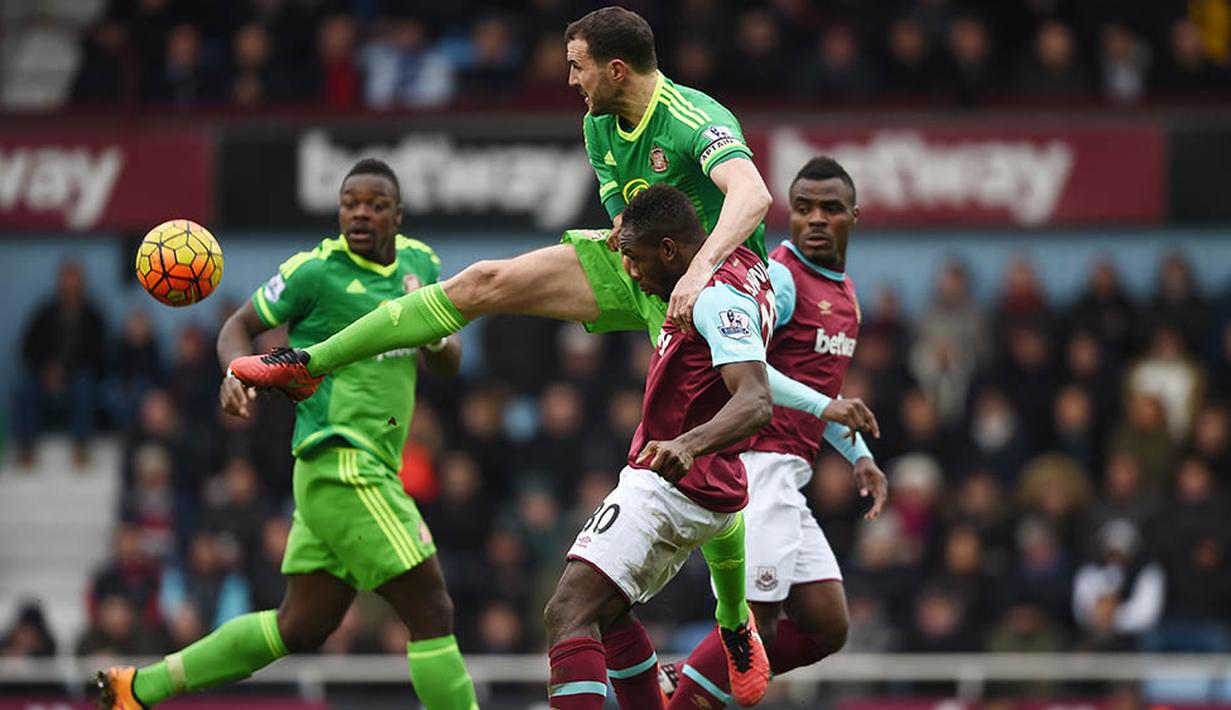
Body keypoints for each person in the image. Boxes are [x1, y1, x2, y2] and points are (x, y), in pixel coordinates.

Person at [228, 6, 794, 700]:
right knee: (480, 282)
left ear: (616, 68)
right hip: (650, 264)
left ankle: (733, 623)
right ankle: (308, 363)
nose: (567, 79)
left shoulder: (689, 115)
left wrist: (703, 267)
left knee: (700, 451)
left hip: (715, 283)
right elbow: (626, 228)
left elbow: (754, 193)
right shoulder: (597, 126)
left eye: (576, 65)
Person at [97, 159, 478, 710]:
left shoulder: (422, 263)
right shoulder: (314, 271)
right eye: (350, 204)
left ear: (398, 214)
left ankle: (138, 689)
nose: (361, 214)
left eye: (375, 205)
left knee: (301, 625)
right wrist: (234, 373)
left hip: (352, 473)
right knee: (432, 610)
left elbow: (447, 363)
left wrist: (438, 339)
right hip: (345, 461)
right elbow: (238, 328)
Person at [662, 157, 889, 707]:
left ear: (853, 216)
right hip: (759, 465)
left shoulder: (847, 297)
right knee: (754, 628)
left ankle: (687, 676)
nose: (814, 219)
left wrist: (858, 455)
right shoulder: (782, 279)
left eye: (829, 209)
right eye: (803, 208)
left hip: (791, 470)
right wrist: (831, 413)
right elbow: (752, 375)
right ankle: (684, 690)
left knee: (826, 626)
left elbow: (820, 397)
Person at [541, 184, 776, 709]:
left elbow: (757, 401)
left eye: (636, 259)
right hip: (712, 488)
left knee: (567, 611)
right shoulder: (746, 267)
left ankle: (736, 622)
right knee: (610, 610)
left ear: (670, 250)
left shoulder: (713, 296)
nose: (631, 272)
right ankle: (734, 623)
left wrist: (688, 444)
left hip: (669, 485)